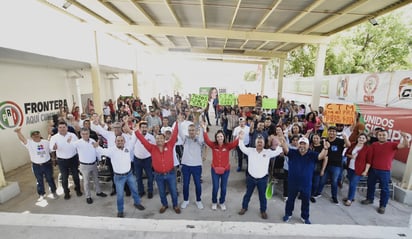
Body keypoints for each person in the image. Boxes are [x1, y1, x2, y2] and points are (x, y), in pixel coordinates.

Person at [135, 119, 181, 214]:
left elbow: (175, 134)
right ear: (155, 140)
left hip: (171, 174)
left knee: (173, 191)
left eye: (161, 138)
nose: (159, 140)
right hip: (158, 175)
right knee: (162, 192)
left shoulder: (170, 144)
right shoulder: (152, 148)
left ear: (164, 140)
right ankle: (164, 205)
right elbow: (143, 140)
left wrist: (177, 123)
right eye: (157, 138)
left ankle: (175, 205)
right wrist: (136, 131)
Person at [280, 136, 329, 224]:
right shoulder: (293, 152)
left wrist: (325, 148)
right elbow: (286, 150)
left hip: (306, 184)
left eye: (304, 144)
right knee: (290, 200)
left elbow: (321, 156)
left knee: (306, 201)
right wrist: (283, 143)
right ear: (298, 145)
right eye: (300, 144)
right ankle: (288, 214)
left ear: (308, 145)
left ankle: (304, 217)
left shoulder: (312, 154)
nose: (302, 146)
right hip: (293, 183)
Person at [237, 131, 283, 220]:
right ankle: (244, 207)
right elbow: (242, 147)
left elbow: (278, 151)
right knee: (248, 194)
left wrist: (280, 143)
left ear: (264, 143)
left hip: (262, 179)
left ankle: (263, 211)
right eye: (258, 142)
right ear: (255, 143)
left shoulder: (268, 152)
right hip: (251, 178)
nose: (259, 143)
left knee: (262, 196)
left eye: (261, 142)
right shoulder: (250, 151)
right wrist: (241, 139)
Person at [361, 130, 409, 214]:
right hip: (373, 169)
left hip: (385, 171)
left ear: (388, 136)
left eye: (383, 135)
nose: (381, 136)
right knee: (370, 185)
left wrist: (404, 137)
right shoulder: (374, 144)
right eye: (380, 135)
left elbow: (405, 145)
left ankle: (382, 205)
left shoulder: (392, 144)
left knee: (384, 189)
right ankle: (369, 199)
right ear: (377, 136)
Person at [96, 135, 145, 217]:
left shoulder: (127, 148)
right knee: (120, 195)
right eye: (118, 141)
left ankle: (137, 203)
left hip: (129, 174)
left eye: (122, 140)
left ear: (124, 142)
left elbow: (133, 140)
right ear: (115, 142)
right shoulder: (111, 151)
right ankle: (120, 210)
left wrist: (135, 131)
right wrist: (97, 147)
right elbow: (102, 151)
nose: (120, 142)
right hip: (119, 177)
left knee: (134, 190)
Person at [202, 121, 239, 210]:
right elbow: (206, 140)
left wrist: (239, 136)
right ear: (216, 138)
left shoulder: (227, 146)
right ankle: (214, 202)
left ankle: (222, 202)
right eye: (218, 137)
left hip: (225, 170)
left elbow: (235, 143)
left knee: (223, 188)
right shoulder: (213, 145)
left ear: (224, 137)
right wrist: (204, 129)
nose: (219, 138)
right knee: (215, 187)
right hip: (215, 170)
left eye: (221, 136)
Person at [14, 128, 58, 201]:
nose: (36, 135)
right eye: (34, 135)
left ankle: (53, 192)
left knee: (50, 178)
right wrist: (18, 132)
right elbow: (23, 139)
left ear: (40, 134)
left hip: (47, 164)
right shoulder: (30, 143)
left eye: (37, 134)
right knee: (39, 180)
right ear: (31, 137)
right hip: (36, 166)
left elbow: (52, 149)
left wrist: (54, 149)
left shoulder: (46, 142)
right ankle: (42, 194)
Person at [72, 128, 107, 204]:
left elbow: (97, 151)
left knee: (96, 179)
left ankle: (98, 192)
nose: (85, 135)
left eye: (86, 134)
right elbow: (70, 146)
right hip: (84, 166)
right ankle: (88, 196)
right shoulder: (77, 143)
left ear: (89, 134)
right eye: (83, 134)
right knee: (86, 182)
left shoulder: (92, 141)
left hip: (94, 164)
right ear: (80, 134)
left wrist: (100, 160)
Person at [49, 121, 82, 200]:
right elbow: (51, 148)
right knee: (64, 177)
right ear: (57, 128)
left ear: (67, 128)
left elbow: (78, 145)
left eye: (64, 127)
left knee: (76, 176)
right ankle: (66, 192)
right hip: (62, 161)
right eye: (60, 127)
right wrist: (54, 147)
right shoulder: (54, 137)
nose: (62, 129)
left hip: (73, 158)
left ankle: (78, 190)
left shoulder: (72, 135)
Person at [317, 126, 351, 204]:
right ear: (328, 132)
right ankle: (318, 193)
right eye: (330, 131)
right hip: (326, 164)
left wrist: (345, 137)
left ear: (336, 133)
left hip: (336, 165)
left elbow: (348, 145)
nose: (331, 133)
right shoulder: (325, 140)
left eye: (333, 131)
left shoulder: (340, 141)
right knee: (322, 180)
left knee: (334, 181)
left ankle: (334, 197)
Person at [178, 123, 205, 210]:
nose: (191, 132)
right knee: (185, 184)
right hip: (186, 165)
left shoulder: (199, 140)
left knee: (197, 184)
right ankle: (186, 200)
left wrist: (202, 126)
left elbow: (202, 135)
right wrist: (178, 122)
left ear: (196, 131)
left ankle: (198, 200)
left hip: (196, 165)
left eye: (193, 130)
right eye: (189, 130)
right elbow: (179, 131)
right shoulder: (185, 139)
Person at [344, 133, 370, 206]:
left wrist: (366, 171)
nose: (361, 139)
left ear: (366, 140)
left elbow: (369, 161)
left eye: (363, 138)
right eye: (360, 137)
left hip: (359, 170)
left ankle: (349, 200)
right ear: (357, 138)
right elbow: (346, 154)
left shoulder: (367, 148)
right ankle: (351, 197)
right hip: (350, 168)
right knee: (351, 183)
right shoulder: (353, 145)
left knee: (353, 184)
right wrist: (351, 156)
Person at [130, 121, 155, 199]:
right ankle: (141, 191)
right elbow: (131, 146)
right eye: (142, 127)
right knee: (138, 177)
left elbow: (154, 148)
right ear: (140, 128)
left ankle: (150, 191)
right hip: (137, 159)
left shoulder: (151, 137)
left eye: (145, 127)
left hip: (148, 160)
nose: (144, 129)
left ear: (147, 128)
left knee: (150, 177)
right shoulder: (135, 136)